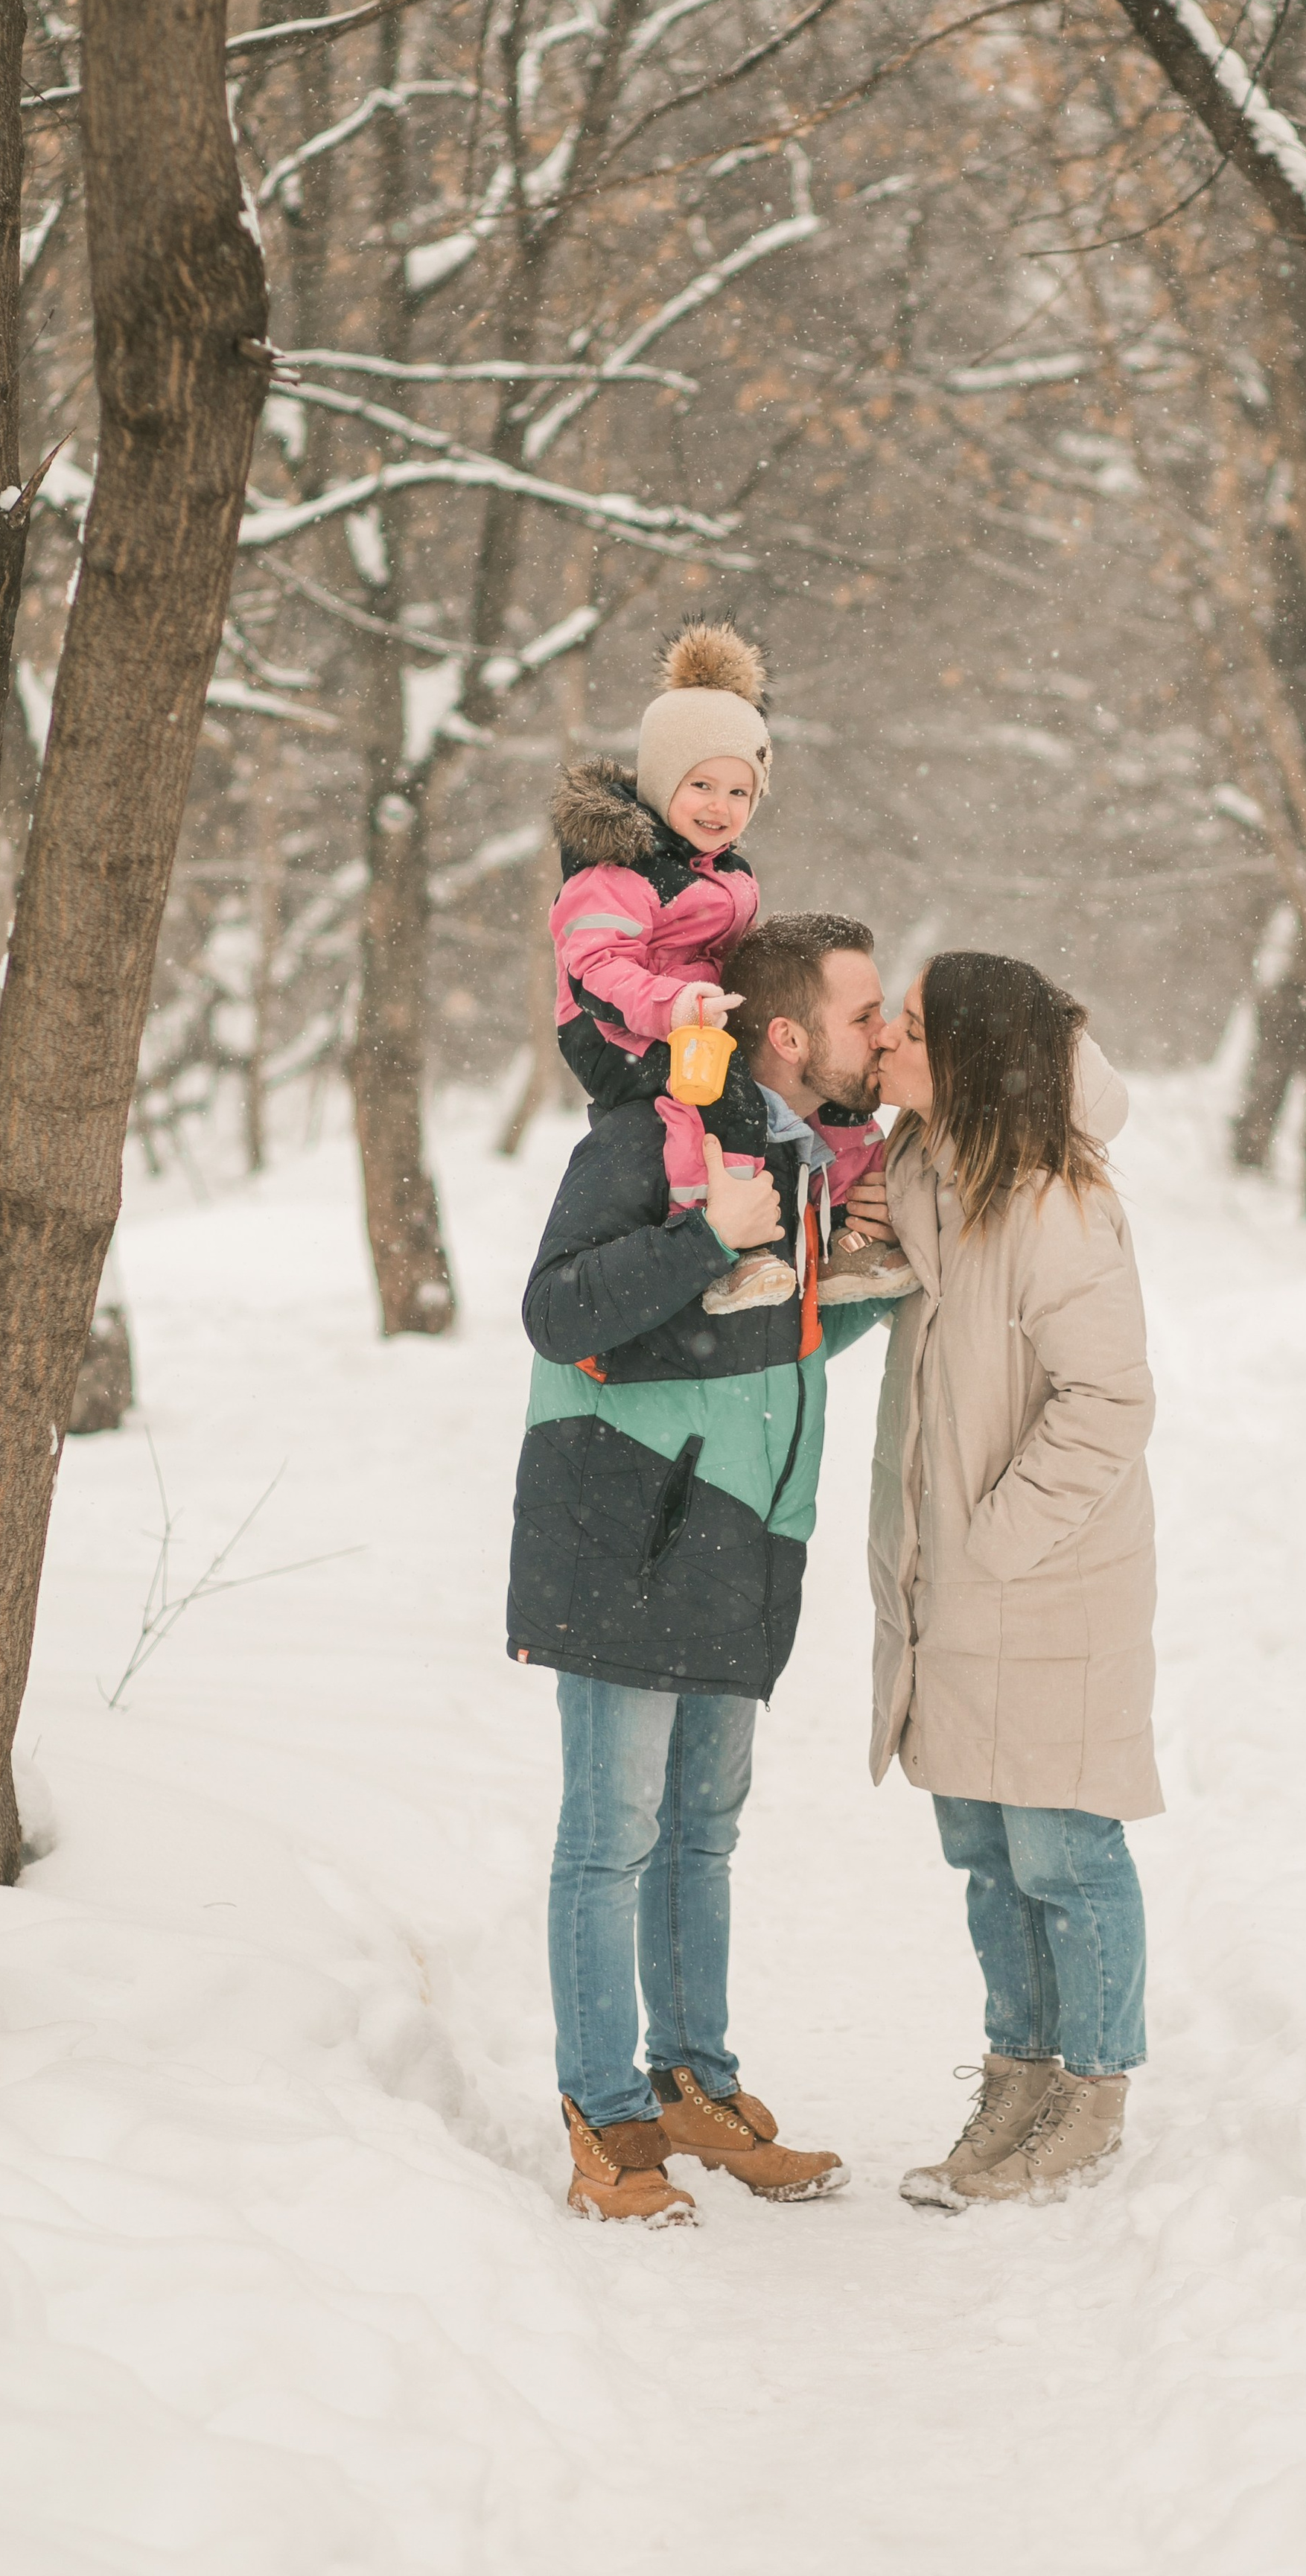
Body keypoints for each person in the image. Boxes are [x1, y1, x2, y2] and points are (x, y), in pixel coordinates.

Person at [508, 912, 901, 2227]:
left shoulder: (796, 1159)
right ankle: (602, 2118)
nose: (881, 1035)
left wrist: (872, 1291)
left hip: (737, 1533)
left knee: (702, 1836)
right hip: (626, 1524)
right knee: (611, 1839)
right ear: (786, 1034)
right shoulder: (643, 1134)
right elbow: (559, 1313)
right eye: (863, 1015)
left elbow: (750, 1351)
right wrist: (703, 1236)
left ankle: (692, 2081)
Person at [866, 951, 1160, 2210]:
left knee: (1062, 1846)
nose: (885, 1034)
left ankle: (1091, 2091)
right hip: (954, 1579)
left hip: (1042, 1582)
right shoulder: (925, 1171)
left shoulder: (1051, 1205)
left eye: (914, 1027)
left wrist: (994, 1542)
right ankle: (1018, 2071)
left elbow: (1108, 1401)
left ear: (974, 1060)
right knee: (985, 1845)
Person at [550, 620, 915, 1314]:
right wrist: (671, 1006)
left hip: (700, 1017)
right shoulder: (616, 875)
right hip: (614, 1031)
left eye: (740, 793)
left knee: (828, 1086)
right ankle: (735, 1249)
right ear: (663, 781)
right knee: (725, 1098)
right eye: (701, 786)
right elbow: (594, 966)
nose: (721, 807)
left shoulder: (724, 873)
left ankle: (855, 1236)